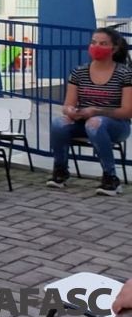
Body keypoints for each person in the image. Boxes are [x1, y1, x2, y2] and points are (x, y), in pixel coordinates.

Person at [46, 27, 132, 196]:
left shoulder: (125, 74)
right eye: (93, 42)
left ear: (114, 48)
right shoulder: (79, 72)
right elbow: (67, 105)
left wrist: (96, 111)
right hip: (83, 120)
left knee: (95, 122)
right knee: (58, 123)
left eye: (103, 44)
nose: (96, 47)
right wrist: (71, 111)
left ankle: (110, 177)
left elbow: (127, 111)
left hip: (116, 125)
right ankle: (60, 170)